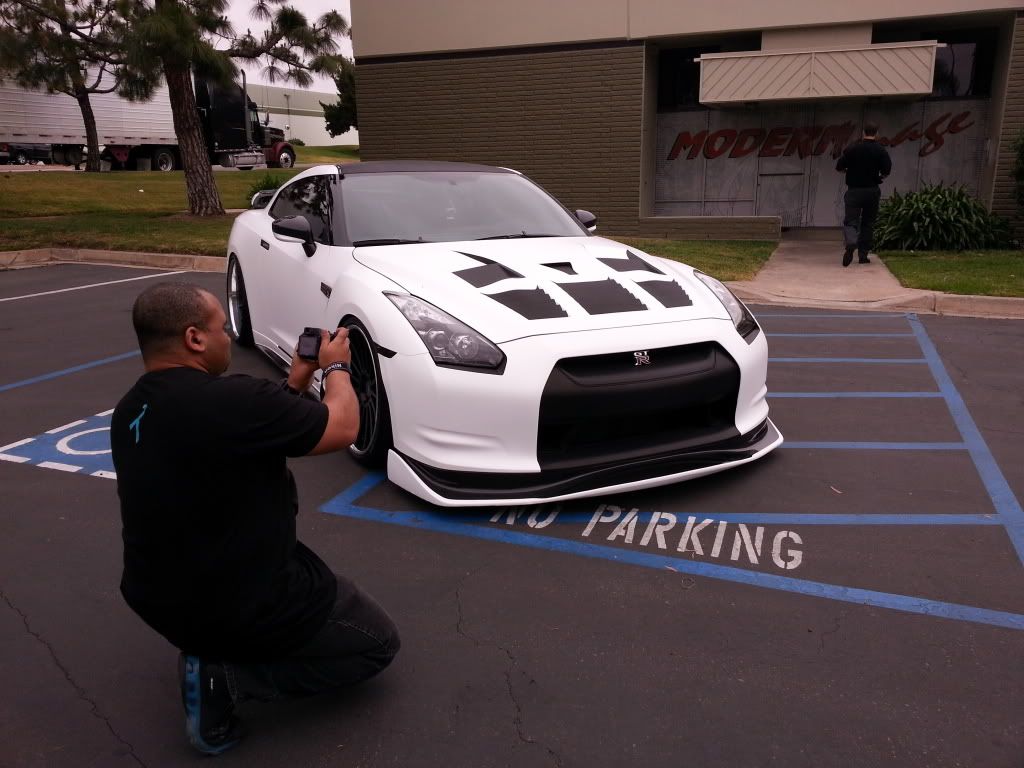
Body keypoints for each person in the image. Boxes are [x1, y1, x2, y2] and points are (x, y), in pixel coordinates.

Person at [111, 282, 399, 756]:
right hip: (240, 600)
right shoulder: (232, 399)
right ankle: (226, 679)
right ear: (194, 339)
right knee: (376, 642)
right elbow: (344, 427)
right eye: (220, 328)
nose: (227, 337)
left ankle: (214, 649)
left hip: (155, 596)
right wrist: (338, 368)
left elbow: (252, 434)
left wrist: (297, 379)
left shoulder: (130, 411)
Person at [835, 122, 892, 267]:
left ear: (863, 132)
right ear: (876, 133)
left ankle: (851, 242)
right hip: (872, 191)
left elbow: (839, 167)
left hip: (854, 191)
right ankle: (863, 256)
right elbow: (886, 171)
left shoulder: (852, 148)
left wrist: (849, 171)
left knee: (850, 221)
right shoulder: (880, 150)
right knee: (868, 223)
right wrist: (878, 176)